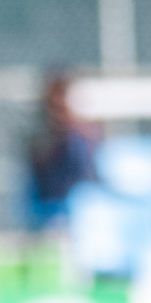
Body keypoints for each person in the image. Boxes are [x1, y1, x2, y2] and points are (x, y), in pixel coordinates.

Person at [27, 72, 98, 230]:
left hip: (81, 205)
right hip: (52, 209)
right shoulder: (40, 135)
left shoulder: (82, 137)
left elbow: (90, 177)